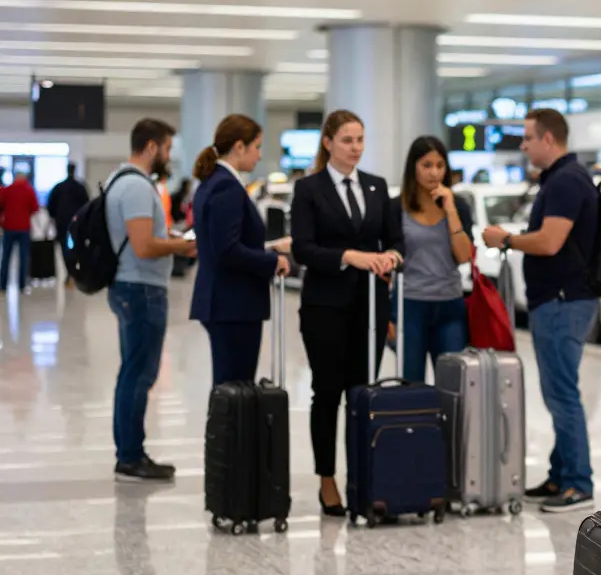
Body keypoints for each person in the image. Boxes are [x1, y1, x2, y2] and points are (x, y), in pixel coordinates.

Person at [481, 108, 598, 514]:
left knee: (562, 393)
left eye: (528, 137)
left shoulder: (566, 180)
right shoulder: (561, 178)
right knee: (557, 392)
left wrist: (506, 239)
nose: (524, 145)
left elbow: (550, 242)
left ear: (549, 139)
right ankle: (560, 474)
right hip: (559, 301)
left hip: (564, 302)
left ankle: (578, 483)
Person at [290, 110, 403, 517]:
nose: (355, 148)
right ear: (327, 143)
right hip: (325, 307)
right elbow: (302, 247)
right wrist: (349, 256)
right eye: (347, 140)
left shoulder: (375, 187)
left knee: (362, 393)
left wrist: (391, 256)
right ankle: (327, 479)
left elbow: (395, 239)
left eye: (360, 139)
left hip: (369, 306)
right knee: (328, 393)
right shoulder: (309, 189)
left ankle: (362, 474)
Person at [107, 118, 198, 482]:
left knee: (132, 371)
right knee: (139, 374)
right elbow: (144, 247)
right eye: (167, 148)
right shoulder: (137, 188)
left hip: (129, 285)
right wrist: (183, 244)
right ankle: (130, 456)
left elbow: (142, 236)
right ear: (151, 147)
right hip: (141, 288)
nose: (169, 155)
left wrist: (169, 235)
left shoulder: (120, 180)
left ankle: (128, 452)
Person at [189, 114, 291, 387]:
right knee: (235, 391)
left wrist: (269, 246)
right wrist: (271, 261)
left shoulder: (213, 182)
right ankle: (229, 433)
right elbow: (227, 250)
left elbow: (223, 242)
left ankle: (227, 432)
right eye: (256, 147)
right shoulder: (227, 186)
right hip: (233, 305)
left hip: (225, 303)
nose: (259, 155)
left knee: (229, 389)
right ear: (239, 146)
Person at [389, 135, 473, 383]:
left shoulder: (459, 206)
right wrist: (387, 317)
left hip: (450, 304)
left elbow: (464, 255)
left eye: (440, 165)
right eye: (426, 165)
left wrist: (450, 209)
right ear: (413, 167)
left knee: (452, 385)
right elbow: (385, 260)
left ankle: (449, 425)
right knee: (411, 384)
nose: (434, 172)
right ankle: (414, 424)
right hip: (410, 304)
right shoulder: (396, 207)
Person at [45, 163, 90, 289]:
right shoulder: (80, 187)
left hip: (62, 223)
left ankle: (70, 273)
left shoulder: (58, 187)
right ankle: (73, 273)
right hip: (77, 224)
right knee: (76, 248)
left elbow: (51, 206)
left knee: (64, 249)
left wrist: (54, 217)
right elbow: (87, 206)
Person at [0, 173, 39, 295]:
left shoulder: (7, 190)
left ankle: (2, 285)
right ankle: (22, 285)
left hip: (9, 227)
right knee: (23, 258)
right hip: (24, 228)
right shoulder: (29, 190)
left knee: (6, 257)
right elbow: (35, 207)